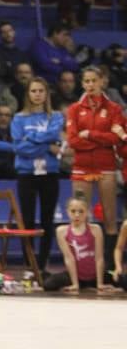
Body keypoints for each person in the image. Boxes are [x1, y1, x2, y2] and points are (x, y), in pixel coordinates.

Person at [66, 66, 123, 270]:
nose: (90, 85)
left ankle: (109, 267)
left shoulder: (114, 109)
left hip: (106, 167)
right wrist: (102, 140)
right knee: (79, 215)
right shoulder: (74, 109)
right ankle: (82, 266)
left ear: (102, 82)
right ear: (82, 84)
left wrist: (89, 134)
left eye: (93, 81)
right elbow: (73, 140)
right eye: (86, 81)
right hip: (81, 168)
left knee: (109, 216)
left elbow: (117, 137)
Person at [11, 77, 64, 273]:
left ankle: (42, 265)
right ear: (28, 94)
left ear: (46, 93)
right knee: (27, 219)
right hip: (26, 174)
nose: (37, 94)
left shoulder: (56, 117)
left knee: (47, 220)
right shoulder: (18, 119)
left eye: (41, 90)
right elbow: (19, 148)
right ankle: (29, 265)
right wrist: (47, 146)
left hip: (49, 173)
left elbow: (54, 136)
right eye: (34, 91)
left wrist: (31, 138)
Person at [45, 196, 116, 293]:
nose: (77, 215)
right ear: (67, 211)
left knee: (121, 279)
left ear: (87, 212)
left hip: (95, 276)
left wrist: (100, 283)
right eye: (73, 211)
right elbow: (69, 258)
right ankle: (80, 284)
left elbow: (99, 258)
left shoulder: (95, 229)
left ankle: (92, 284)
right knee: (48, 284)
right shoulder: (62, 231)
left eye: (81, 211)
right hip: (76, 276)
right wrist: (75, 284)